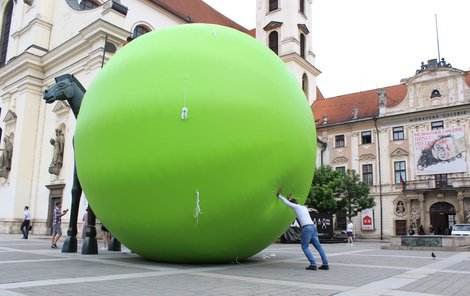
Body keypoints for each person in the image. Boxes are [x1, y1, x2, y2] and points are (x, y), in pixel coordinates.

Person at [276, 190, 329, 271]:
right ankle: (325, 264)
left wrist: (279, 195)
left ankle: (313, 264)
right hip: (313, 227)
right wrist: (291, 199)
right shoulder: (303, 207)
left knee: (304, 247)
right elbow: (291, 202)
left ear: (294, 204)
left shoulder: (296, 207)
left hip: (307, 228)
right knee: (318, 247)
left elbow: (286, 203)